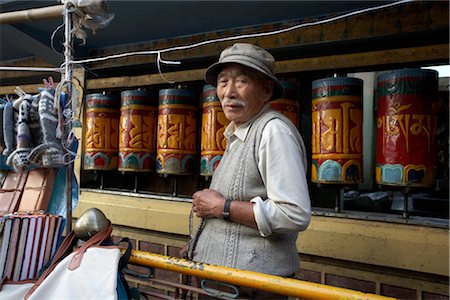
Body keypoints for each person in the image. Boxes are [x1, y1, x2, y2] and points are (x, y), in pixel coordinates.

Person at [187, 43, 311, 299]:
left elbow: (295, 214)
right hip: (225, 282)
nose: (229, 92)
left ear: (266, 90)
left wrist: (221, 207)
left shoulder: (273, 131)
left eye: (241, 81)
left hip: (252, 287)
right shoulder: (237, 134)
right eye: (222, 82)